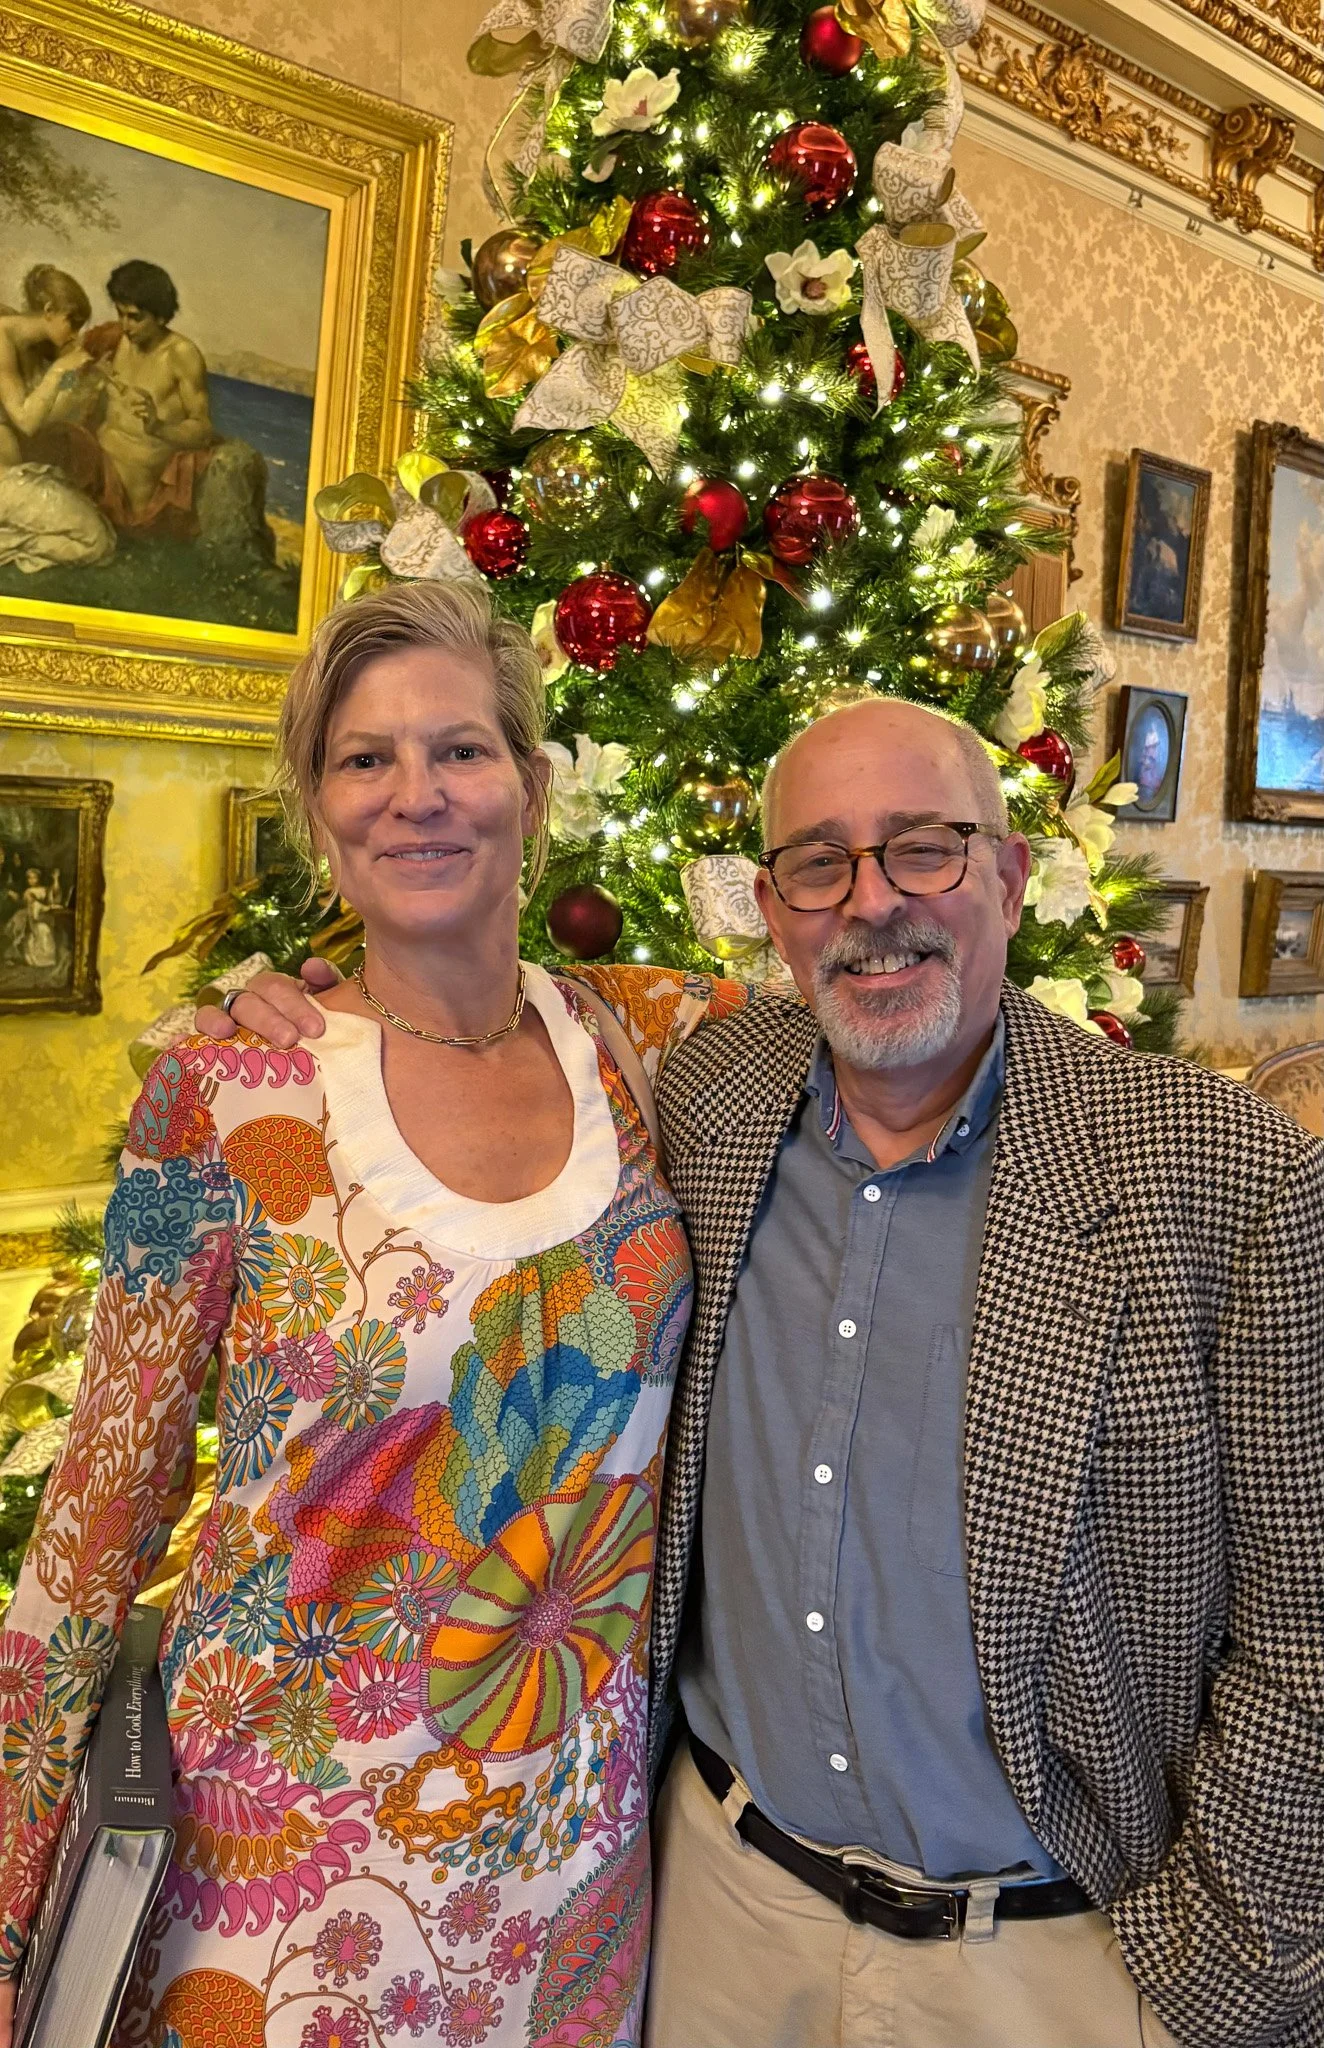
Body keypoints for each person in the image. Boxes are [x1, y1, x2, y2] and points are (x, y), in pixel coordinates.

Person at [210, 695, 1324, 2048]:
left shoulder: (1226, 1176)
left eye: (925, 848)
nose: (872, 904)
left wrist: (1239, 1971)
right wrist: (314, 1009)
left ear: (1016, 876)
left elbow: (1306, 1635)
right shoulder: (705, 1085)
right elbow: (493, 1022)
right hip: (723, 1924)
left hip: (1058, 1959)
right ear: (774, 910)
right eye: (819, 864)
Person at [0, 580, 749, 2048]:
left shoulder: (645, 1041)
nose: (419, 797)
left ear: (532, 786)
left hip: (567, 1880)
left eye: (461, 751)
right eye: (365, 759)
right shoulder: (228, 1091)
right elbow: (94, 1524)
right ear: (319, 805)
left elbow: (892, 982)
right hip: (273, 1880)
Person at [0, 264, 116, 572]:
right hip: (3, 483)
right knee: (94, 542)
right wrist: (62, 370)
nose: (75, 334)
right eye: (72, 322)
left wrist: (84, 382)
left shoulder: (31, 344)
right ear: (49, 310)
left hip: (13, 476)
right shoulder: (1, 340)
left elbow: (49, 411)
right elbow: (26, 421)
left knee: (100, 533)